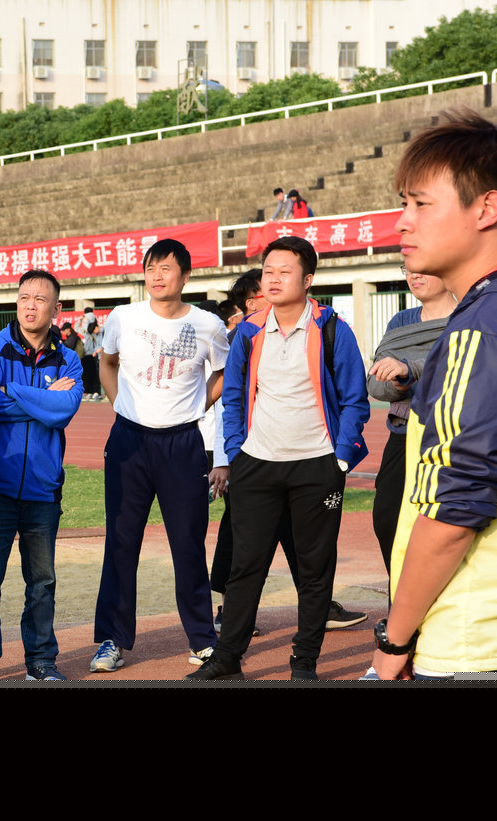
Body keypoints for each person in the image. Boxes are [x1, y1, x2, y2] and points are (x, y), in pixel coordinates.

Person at [190, 236, 369, 680]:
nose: (273, 278)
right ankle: (227, 658)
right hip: (257, 464)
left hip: (318, 465)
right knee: (245, 565)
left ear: (308, 280)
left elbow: (355, 398)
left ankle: (304, 661)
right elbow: (234, 396)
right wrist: (238, 451)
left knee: (314, 569)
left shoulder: (333, 329)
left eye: (285, 271)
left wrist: (340, 458)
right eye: (268, 270)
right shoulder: (249, 331)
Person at [372, 109, 497, 679]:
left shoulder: (477, 328)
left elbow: (454, 512)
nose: (402, 223)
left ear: (486, 208)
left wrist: (395, 638)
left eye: (421, 204)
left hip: (470, 638)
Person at [90, 240, 228, 673]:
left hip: (183, 444)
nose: (156, 275)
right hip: (129, 442)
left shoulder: (208, 325)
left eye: (166, 268)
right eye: (151, 267)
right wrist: (120, 406)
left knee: (187, 543)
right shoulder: (124, 317)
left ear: (185, 276)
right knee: (121, 541)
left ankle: (203, 639)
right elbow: (107, 363)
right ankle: (112, 640)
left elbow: (224, 373)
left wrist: (197, 407)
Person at [0, 269, 83, 680]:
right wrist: (42, 399)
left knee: (42, 582)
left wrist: (13, 391)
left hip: (43, 489)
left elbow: (63, 411)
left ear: (56, 309)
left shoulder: (69, 358)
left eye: (40, 299)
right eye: (24, 297)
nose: (30, 305)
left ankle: (41, 661)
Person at [367, 267, 456, 573]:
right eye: (408, 270)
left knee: (448, 522)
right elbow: (377, 384)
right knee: (387, 517)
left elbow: (462, 367)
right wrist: (399, 384)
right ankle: (400, 595)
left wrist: (410, 368)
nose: (414, 276)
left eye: (423, 269)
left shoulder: (470, 315)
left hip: (454, 436)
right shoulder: (401, 322)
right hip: (404, 435)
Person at [81, 319, 103, 400]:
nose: (94, 332)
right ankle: (91, 391)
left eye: (94, 330)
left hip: (98, 356)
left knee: (97, 375)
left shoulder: (102, 332)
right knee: (89, 375)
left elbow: (101, 345)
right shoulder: (93, 334)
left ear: (96, 327)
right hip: (92, 355)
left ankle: (97, 392)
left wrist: (96, 351)